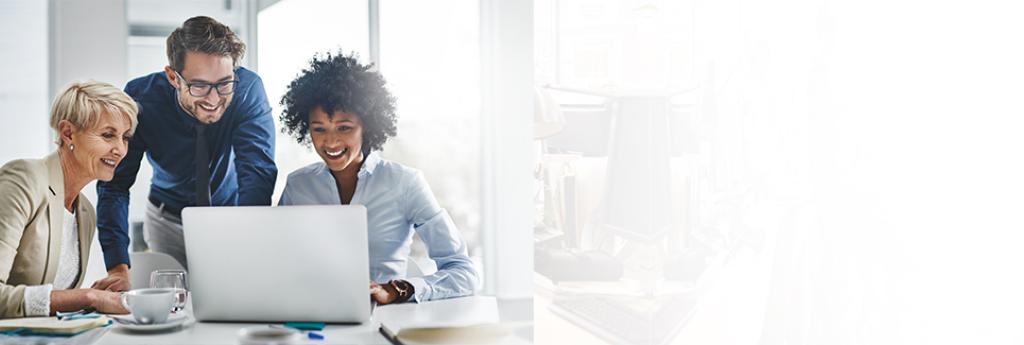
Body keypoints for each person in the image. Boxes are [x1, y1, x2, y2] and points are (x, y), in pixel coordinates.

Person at [277, 51, 478, 304]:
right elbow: (277, 261)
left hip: (382, 323)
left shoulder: (405, 183)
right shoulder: (298, 185)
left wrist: (396, 290)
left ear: (367, 127)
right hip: (312, 315)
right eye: (319, 129)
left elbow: (465, 272)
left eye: (344, 128)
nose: (330, 141)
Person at [94, 16, 277, 284]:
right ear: (173, 77)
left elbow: (257, 173)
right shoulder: (141, 99)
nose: (214, 99)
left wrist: (247, 242)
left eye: (224, 83)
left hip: (232, 217)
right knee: (175, 307)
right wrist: (118, 266)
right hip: (167, 219)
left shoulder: (247, 90)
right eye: (199, 86)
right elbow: (114, 185)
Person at [0, 81, 136, 318]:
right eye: (108, 135)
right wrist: (88, 297)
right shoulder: (23, 180)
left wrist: (99, 296)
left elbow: (56, 306)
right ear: (67, 133)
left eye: (125, 137)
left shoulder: (85, 212)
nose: (120, 149)